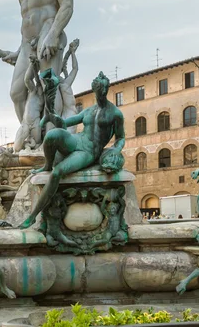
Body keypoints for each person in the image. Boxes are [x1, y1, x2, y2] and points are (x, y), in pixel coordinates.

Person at [19, 72, 125, 229]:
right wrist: (52, 115)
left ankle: (33, 215)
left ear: (106, 90)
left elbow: (120, 137)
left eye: (102, 90)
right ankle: (47, 165)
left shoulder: (115, 114)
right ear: (95, 91)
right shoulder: (89, 111)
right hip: (77, 140)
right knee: (53, 134)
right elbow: (65, 123)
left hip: (89, 151)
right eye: (97, 91)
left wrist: (116, 150)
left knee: (58, 172)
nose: (100, 94)